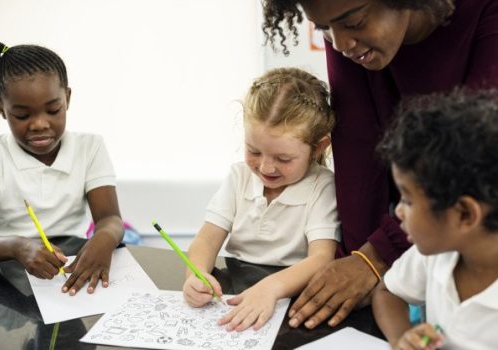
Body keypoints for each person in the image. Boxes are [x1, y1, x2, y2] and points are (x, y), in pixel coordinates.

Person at [260, 0, 498, 329]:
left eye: (354, 23)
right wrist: (358, 261)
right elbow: (357, 150)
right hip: (422, 228)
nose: (341, 45)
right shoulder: (344, 32)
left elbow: (477, 157)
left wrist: (377, 256)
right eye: (324, 29)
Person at [183, 67, 340, 332]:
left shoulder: (321, 186)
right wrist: (195, 275)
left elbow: (322, 259)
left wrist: (271, 288)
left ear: (318, 148)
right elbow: (207, 238)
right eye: (254, 151)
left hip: (292, 293)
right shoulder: (239, 176)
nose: (266, 168)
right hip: (235, 286)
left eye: (283, 159)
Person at [372, 88, 498, 349]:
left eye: (407, 200)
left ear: (464, 214)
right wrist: (400, 338)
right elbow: (387, 293)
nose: (398, 212)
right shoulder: (436, 253)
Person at [0, 41, 124, 295]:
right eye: (22, 116)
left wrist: (103, 240)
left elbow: (110, 218)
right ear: (1, 108)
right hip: (7, 274)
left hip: (71, 263)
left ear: (67, 98)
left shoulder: (90, 147)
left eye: (53, 110)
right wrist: (16, 246)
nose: (39, 124)